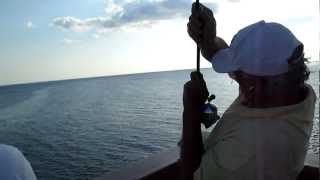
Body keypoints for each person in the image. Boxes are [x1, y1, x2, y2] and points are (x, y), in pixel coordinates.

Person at [180, 2, 316, 180]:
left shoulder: (250, 152)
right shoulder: (297, 92)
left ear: (258, 86)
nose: (235, 78)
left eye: (240, 78)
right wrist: (208, 40)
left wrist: (190, 112)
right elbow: (218, 52)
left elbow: (189, 176)